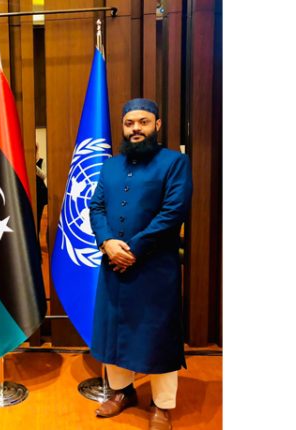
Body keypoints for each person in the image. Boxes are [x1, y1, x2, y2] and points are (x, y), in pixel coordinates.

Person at [89, 98, 193, 430]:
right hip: (113, 264)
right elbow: (96, 207)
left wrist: (132, 250)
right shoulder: (110, 166)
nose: (136, 128)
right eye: (129, 123)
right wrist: (107, 242)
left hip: (154, 269)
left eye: (143, 122)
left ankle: (162, 405)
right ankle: (122, 392)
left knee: (158, 335)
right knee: (115, 331)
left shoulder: (175, 162)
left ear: (157, 125)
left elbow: (173, 212)